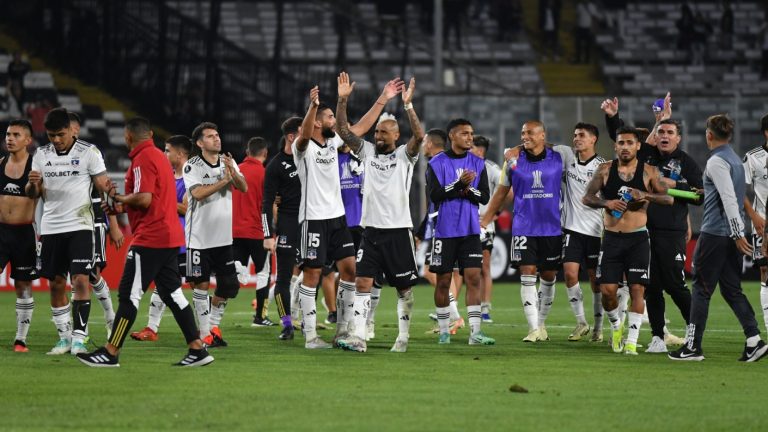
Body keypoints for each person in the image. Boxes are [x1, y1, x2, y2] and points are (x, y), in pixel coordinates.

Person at [76, 117, 213, 367]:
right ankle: (198, 349)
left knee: (129, 295)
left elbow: (145, 200)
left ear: (128, 137)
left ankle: (111, 351)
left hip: (151, 238)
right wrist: (120, 204)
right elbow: (152, 200)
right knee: (173, 294)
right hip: (169, 236)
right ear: (150, 134)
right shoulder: (160, 157)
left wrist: (119, 196)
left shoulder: (142, 159)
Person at [293, 80, 403, 349]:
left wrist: (383, 98)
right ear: (319, 122)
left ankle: (342, 329)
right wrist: (313, 107)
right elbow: (306, 135)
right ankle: (310, 336)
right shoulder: (303, 147)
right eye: (329, 117)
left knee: (350, 270)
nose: (335, 121)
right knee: (312, 275)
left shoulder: (333, 144)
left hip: (338, 219)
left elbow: (360, 127)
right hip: (313, 219)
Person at [334, 73, 423, 352]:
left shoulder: (404, 156)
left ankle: (403, 336)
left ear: (396, 135)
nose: (378, 135)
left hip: (398, 231)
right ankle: (359, 337)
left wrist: (408, 106)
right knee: (362, 282)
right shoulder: (368, 152)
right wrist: (342, 100)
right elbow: (343, 132)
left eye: (383, 132)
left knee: (403, 290)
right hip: (371, 231)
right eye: (376, 132)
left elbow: (419, 136)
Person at [669, 115, 768, 362]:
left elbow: (730, 200)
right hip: (728, 235)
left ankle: (692, 347)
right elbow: (729, 192)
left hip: (716, 234)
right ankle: (754, 340)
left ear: (709, 134)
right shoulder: (734, 159)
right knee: (732, 289)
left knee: (701, 289)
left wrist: (736, 234)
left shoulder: (716, 161)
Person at [26, 107, 113, 355]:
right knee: (55, 283)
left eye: (60, 134)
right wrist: (33, 184)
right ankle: (63, 338)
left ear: (71, 131)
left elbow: (101, 184)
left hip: (80, 226)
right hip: (51, 226)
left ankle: (79, 337)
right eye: (51, 135)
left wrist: (113, 192)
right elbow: (33, 194)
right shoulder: (41, 154)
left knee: (81, 279)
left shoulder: (89, 152)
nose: (55, 139)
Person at [583, 127, 673, 355]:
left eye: (629, 143)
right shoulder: (604, 170)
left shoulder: (649, 171)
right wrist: (607, 204)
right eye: (621, 143)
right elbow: (587, 197)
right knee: (607, 291)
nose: (625, 147)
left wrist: (645, 195)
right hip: (612, 238)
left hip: (638, 238)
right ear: (615, 146)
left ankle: (631, 342)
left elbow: (668, 199)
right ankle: (616, 326)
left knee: (637, 289)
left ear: (638, 146)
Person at [483, 121, 565, 342]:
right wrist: (485, 220)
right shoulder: (512, 162)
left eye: (530, 133)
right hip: (523, 227)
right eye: (522, 133)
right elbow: (501, 193)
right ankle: (533, 328)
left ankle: (541, 323)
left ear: (542, 135)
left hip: (552, 227)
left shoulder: (559, 157)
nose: (525, 136)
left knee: (548, 276)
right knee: (527, 273)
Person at [427, 118, 494, 345]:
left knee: (474, 278)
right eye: (465, 133)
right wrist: (458, 185)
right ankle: (444, 330)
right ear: (452, 136)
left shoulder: (478, 163)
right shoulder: (436, 163)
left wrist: (466, 189)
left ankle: (475, 334)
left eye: (471, 133)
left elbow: (484, 196)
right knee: (444, 281)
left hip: (470, 231)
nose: (470, 138)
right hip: (445, 231)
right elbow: (435, 195)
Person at [184, 122, 247, 347]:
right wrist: (224, 181)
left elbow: (243, 187)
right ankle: (204, 334)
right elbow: (198, 193)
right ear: (200, 143)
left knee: (229, 286)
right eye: (210, 136)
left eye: (217, 134)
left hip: (223, 238)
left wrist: (232, 173)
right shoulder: (192, 166)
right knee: (200, 284)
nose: (217, 139)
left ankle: (212, 326)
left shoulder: (227, 162)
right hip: (199, 238)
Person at [643, 119, 703, 353]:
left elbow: (700, 196)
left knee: (675, 284)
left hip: (672, 232)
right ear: (654, 137)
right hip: (644, 231)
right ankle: (658, 337)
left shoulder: (686, 162)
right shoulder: (646, 155)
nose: (665, 136)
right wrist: (611, 115)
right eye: (661, 132)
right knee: (652, 286)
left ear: (678, 138)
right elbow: (619, 136)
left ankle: (693, 332)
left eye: (670, 132)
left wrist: (673, 186)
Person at [130, 135, 192, 342]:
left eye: (167, 150)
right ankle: (152, 328)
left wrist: (161, 199)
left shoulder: (190, 177)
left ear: (180, 154)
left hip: (186, 240)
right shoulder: (166, 176)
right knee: (164, 286)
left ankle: (205, 332)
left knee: (196, 286)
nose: (164, 154)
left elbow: (186, 208)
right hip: (168, 239)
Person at [69, 112, 123, 338]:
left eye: (72, 128)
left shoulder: (89, 153)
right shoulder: (52, 156)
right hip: (67, 219)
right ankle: (81, 327)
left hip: (94, 217)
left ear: (77, 130)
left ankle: (110, 316)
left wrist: (114, 224)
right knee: (75, 275)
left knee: (91, 272)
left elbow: (105, 189)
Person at [560, 123, 607, 342]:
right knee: (570, 274)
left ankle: (598, 328)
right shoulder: (568, 161)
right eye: (575, 134)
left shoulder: (603, 166)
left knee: (595, 281)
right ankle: (581, 322)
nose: (577, 138)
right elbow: (546, 147)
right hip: (571, 228)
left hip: (595, 231)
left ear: (593, 140)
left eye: (582, 135)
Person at [418, 129, 466, 334]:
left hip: (445, 227)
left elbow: (437, 198)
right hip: (447, 224)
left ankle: (455, 317)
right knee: (441, 273)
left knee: (433, 272)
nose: (421, 146)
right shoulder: (446, 162)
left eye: (424, 142)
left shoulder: (437, 164)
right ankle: (452, 315)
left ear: (429, 143)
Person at [262, 118, 304, 340]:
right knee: (284, 279)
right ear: (291, 136)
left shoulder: (312, 157)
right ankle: (287, 324)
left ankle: (308, 319)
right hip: (288, 223)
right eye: (302, 131)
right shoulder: (275, 166)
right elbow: (266, 202)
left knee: (316, 274)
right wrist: (268, 234)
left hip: (313, 222)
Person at [1, 119, 38, 352]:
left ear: (28, 140)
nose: (10, 138)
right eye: (7, 134)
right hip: (0, 231)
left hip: (24, 233)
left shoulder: (35, 168)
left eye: (15, 134)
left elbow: (37, 193)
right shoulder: (0, 163)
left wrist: (33, 186)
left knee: (23, 284)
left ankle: (20, 339)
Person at [231, 137, 271, 327]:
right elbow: (269, 205)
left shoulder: (235, 170)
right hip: (257, 231)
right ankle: (260, 317)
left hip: (234, 230)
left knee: (234, 272)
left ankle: (212, 304)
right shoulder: (265, 174)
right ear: (265, 154)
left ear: (247, 152)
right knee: (263, 273)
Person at [469, 136, 501, 323]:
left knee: (484, 267)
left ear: (480, 151)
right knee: (461, 269)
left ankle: (485, 308)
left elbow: (508, 192)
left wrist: (493, 214)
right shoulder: (464, 165)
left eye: (471, 147)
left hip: (483, 225)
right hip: (464, 223)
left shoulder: (492, 169)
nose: (468, 148)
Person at [744, 114, 768, 335]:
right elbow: (739, 189)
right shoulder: (753, 157)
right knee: (765, 269)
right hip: (762, 222)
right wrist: (753, 216)